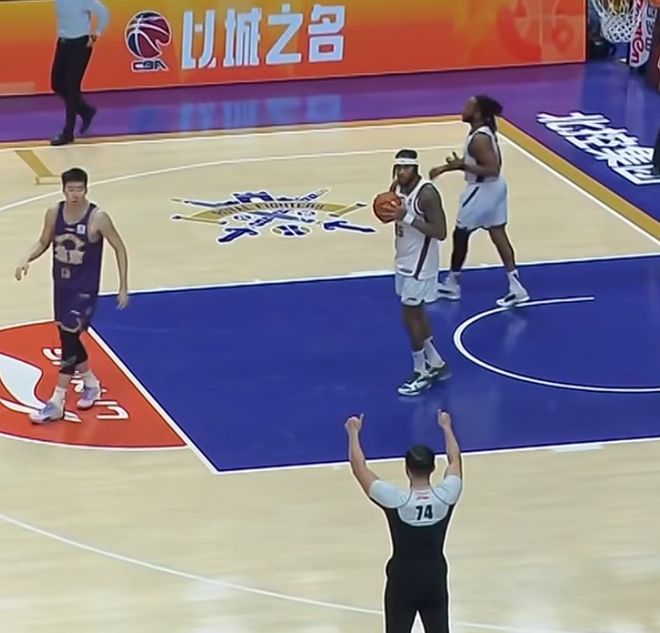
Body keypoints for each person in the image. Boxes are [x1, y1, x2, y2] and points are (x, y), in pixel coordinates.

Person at [15, 167, 129, 423]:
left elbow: (119, 247)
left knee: (68, 339)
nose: (75, 194)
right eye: (71, 189)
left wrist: (123, 285)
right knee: (69, 338)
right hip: (62, 286)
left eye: (79, 189)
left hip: (84, 290)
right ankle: (91, 383)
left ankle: (57, 402)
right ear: (63, 190)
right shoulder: (54, 213)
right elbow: (43, 241)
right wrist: (27, 258)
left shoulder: (98, 217)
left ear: (86, 189)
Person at [345, 409, 463, 633]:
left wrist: (353, 434)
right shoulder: (447, 496)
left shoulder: (397, 501)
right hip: (434, 579)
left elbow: (359, 469)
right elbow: (455, 461)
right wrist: (447, 428)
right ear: (433, 468)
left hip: (402, 581)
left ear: (406, 469)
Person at [430, 95, 529, 308]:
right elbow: (479, 164)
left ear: (478, 113)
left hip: (482, 190)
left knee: (461, 234)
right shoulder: (482, 132)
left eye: (468, 107)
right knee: (498, 233)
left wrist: (461, 166)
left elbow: (492, 168)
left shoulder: (479, 139)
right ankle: (516, 287)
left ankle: (452, 284)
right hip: (494, 188)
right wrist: (446, 168)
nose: (463, 109)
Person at [389, 149, 450, 397]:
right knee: (417, 313)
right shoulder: (395, 188)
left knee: (409, 316)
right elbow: (392, 214)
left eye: (406, 167)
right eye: (399, 167)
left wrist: (407, 218)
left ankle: (421, 371)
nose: (401, 172)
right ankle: (436, 362)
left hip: (421, 263)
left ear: (415, 168)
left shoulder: (427, 194)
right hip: (403, 258)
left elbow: (441, 232)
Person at [50, 0, 110, 146]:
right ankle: (85, 111)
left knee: (72, 88)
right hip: (63, 43)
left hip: (80, 45)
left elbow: (104, 13)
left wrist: (96, 34)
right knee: (57, 83)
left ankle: (68, 133)